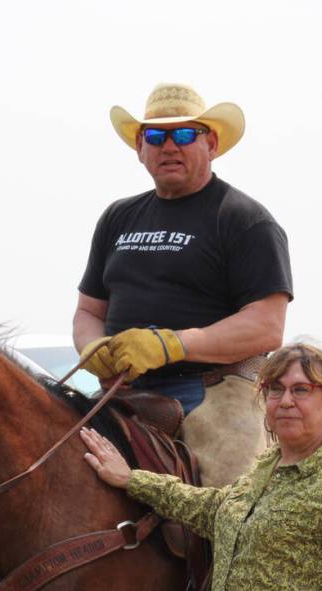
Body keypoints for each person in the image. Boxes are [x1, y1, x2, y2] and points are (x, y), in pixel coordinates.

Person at [80, 343, 322, 591]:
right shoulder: (268, 467)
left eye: (301, 390)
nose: (285, 402)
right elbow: (215, 509)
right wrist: (131, 479)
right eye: (275, 390)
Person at [73, 82, 293, 486]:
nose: (169, 146)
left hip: (215, 388)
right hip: (121, 389)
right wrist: (93, 348)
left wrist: (171, 344)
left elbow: (267, 325)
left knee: (232, 504)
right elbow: (89, 310)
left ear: (211, 142)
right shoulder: (117, 218)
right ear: (140, 148)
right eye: (155, 136)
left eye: (184, 134)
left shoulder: (244, 219)